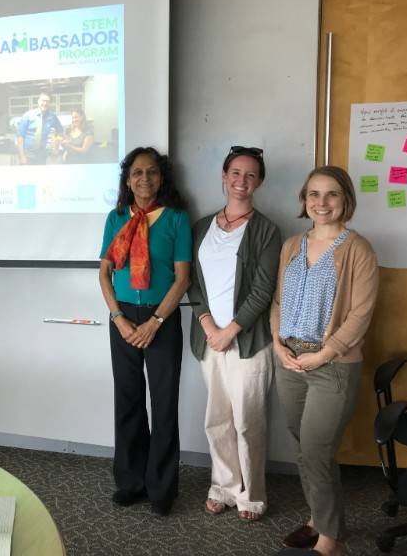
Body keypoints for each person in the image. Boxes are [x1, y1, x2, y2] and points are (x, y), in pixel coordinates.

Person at [272, 166, 378, 556]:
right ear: (304, 200)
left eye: (331, 194)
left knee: (316, 450)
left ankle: (330, 541)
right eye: (313, 194)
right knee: (305, 447)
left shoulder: (358, 249)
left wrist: (325, 353)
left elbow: (360, 314)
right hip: (290, 360)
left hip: (332, 364)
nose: (321, 203)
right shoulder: (291, 245)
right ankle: (319, 519)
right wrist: (277, 344)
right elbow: (278, 303)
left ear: (346, 199)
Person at [188, 146, 281, 521]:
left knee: (248, 421)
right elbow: (191, 282)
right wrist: (209, 324)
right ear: (224, 177)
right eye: (235, 173)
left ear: (259, 182)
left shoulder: (267, 231)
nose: (242, 181)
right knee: (217, 419)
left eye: (251, 175)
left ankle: (252, 495)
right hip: (210, 340)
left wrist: (231, 330)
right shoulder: (201, 227)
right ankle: (223, 488)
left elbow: (263, 289)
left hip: (248, 342)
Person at [99, 147, 192, 516]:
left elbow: (183, 279)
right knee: (129, 400)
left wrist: (155, 322)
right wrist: (119, 318)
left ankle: (161, 489)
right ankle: (131, 482)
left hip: (162, 319)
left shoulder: (176, 219)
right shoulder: (116, 217)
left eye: (152, 172)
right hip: (122, 317)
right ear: (127, 179)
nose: (144, 179)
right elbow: (104, 272)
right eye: (136, 173)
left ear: (162, 177)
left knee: (164, 403)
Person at [17, 93, 63, 165]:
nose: (45, 103)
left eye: (47, 101)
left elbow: (60, 132)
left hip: (42, 154)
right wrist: (22, 156)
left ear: (50, 103)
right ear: (38, 101)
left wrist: (56, 147)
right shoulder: (27, 115)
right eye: (43, 101)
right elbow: (20, 137)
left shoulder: (53, 117)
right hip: (27, 154)